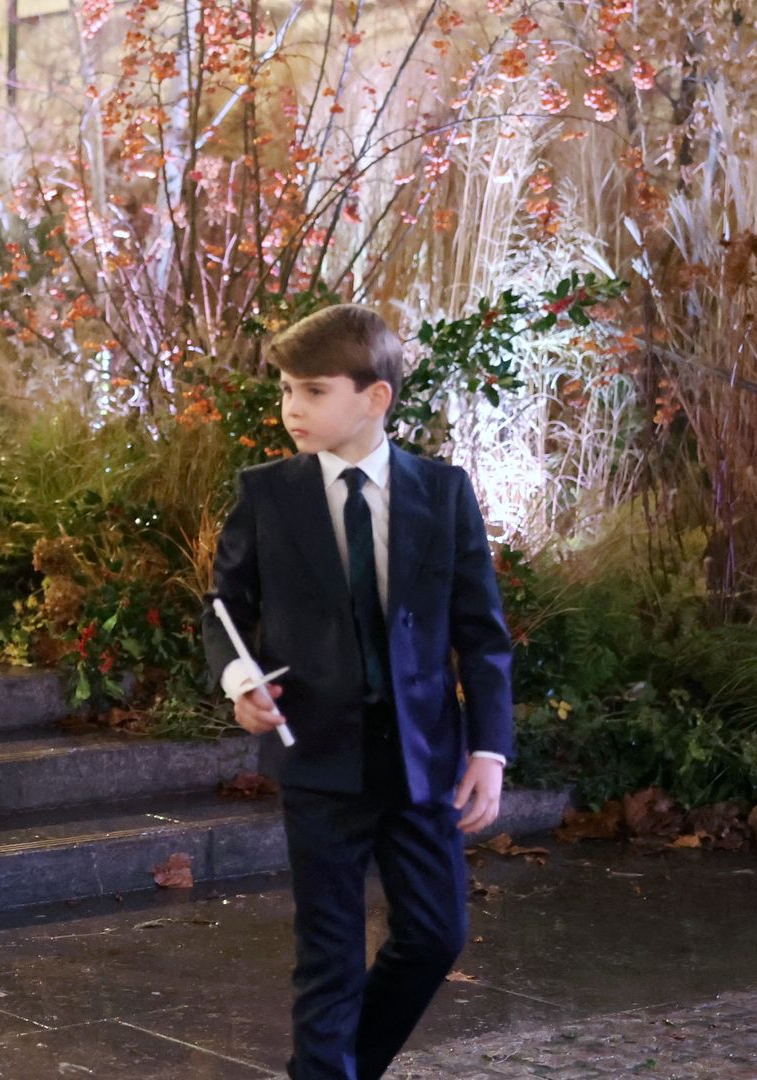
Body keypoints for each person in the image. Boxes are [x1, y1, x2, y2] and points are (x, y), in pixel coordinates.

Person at [201, 304, 514, 1079]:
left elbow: (481, 633)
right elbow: (223, 609)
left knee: (436, 935)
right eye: (284, 391)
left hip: (422, 757)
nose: (291, 409)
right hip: (317, 755)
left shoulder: (441, 494)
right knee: (329, 956)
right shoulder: (269, 494)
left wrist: (490, 750)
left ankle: (345, 1066)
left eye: (311, 391)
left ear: (375, 398)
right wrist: (241, 681)